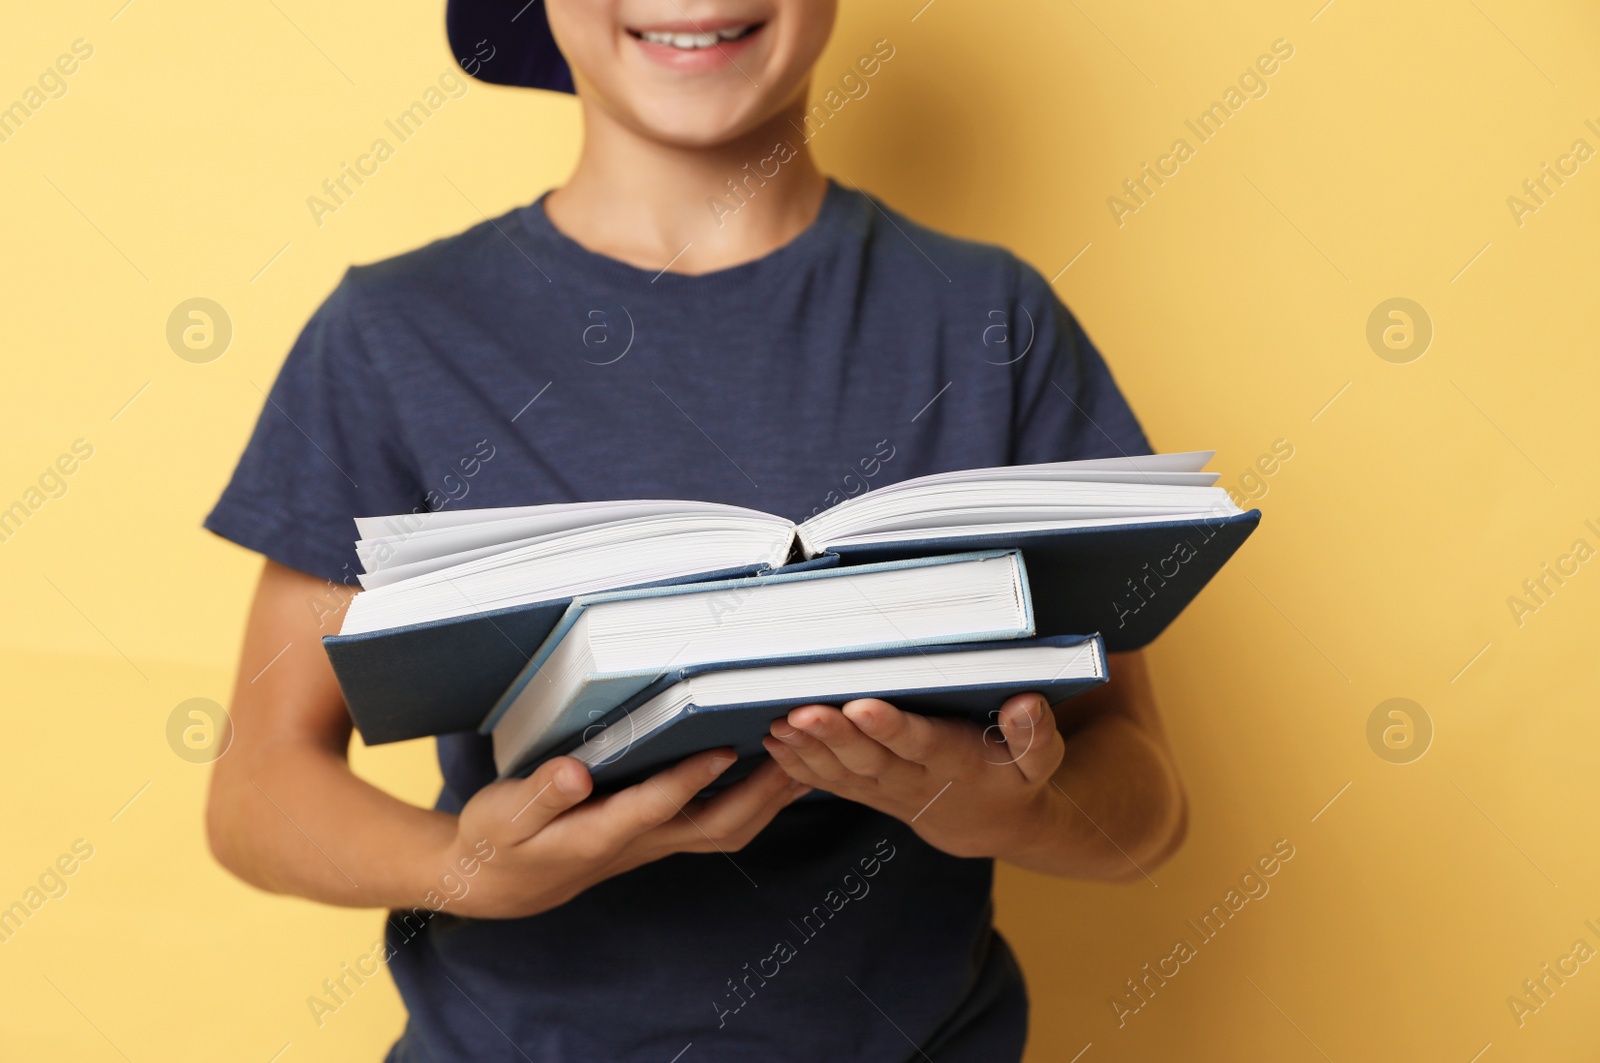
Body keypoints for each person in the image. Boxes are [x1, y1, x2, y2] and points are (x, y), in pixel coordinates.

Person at [203, 2, 1189, 1060]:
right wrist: (470, 866)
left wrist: (1006, 813)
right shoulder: (391, 333)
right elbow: (259, 788)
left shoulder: (994, 318)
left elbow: (1146, 807)